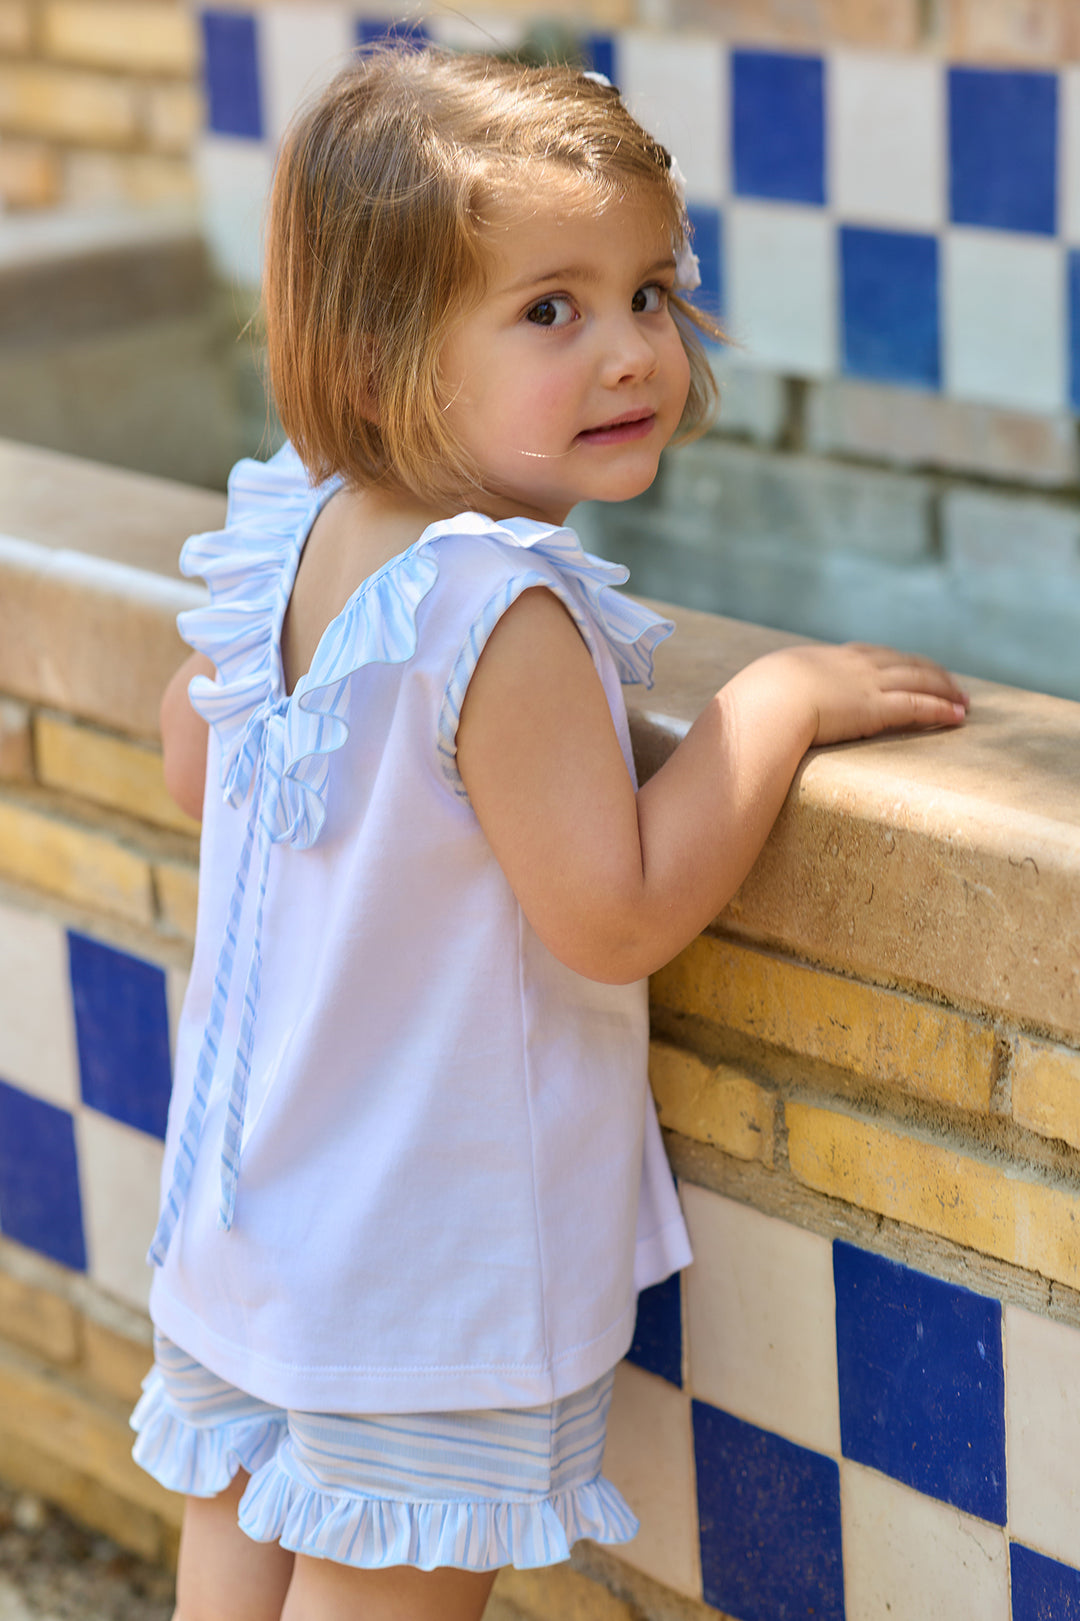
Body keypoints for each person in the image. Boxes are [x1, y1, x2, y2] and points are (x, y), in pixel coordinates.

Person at [137, 45, 969, 1621]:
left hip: (258, 1222)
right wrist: (772, 703)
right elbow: (614, 911)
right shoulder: (498, 605)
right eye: (549, 310)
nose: (630, 352)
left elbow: (199, 761)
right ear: (383, 358)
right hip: (417, 1275)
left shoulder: (297, 525)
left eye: (649, 291)